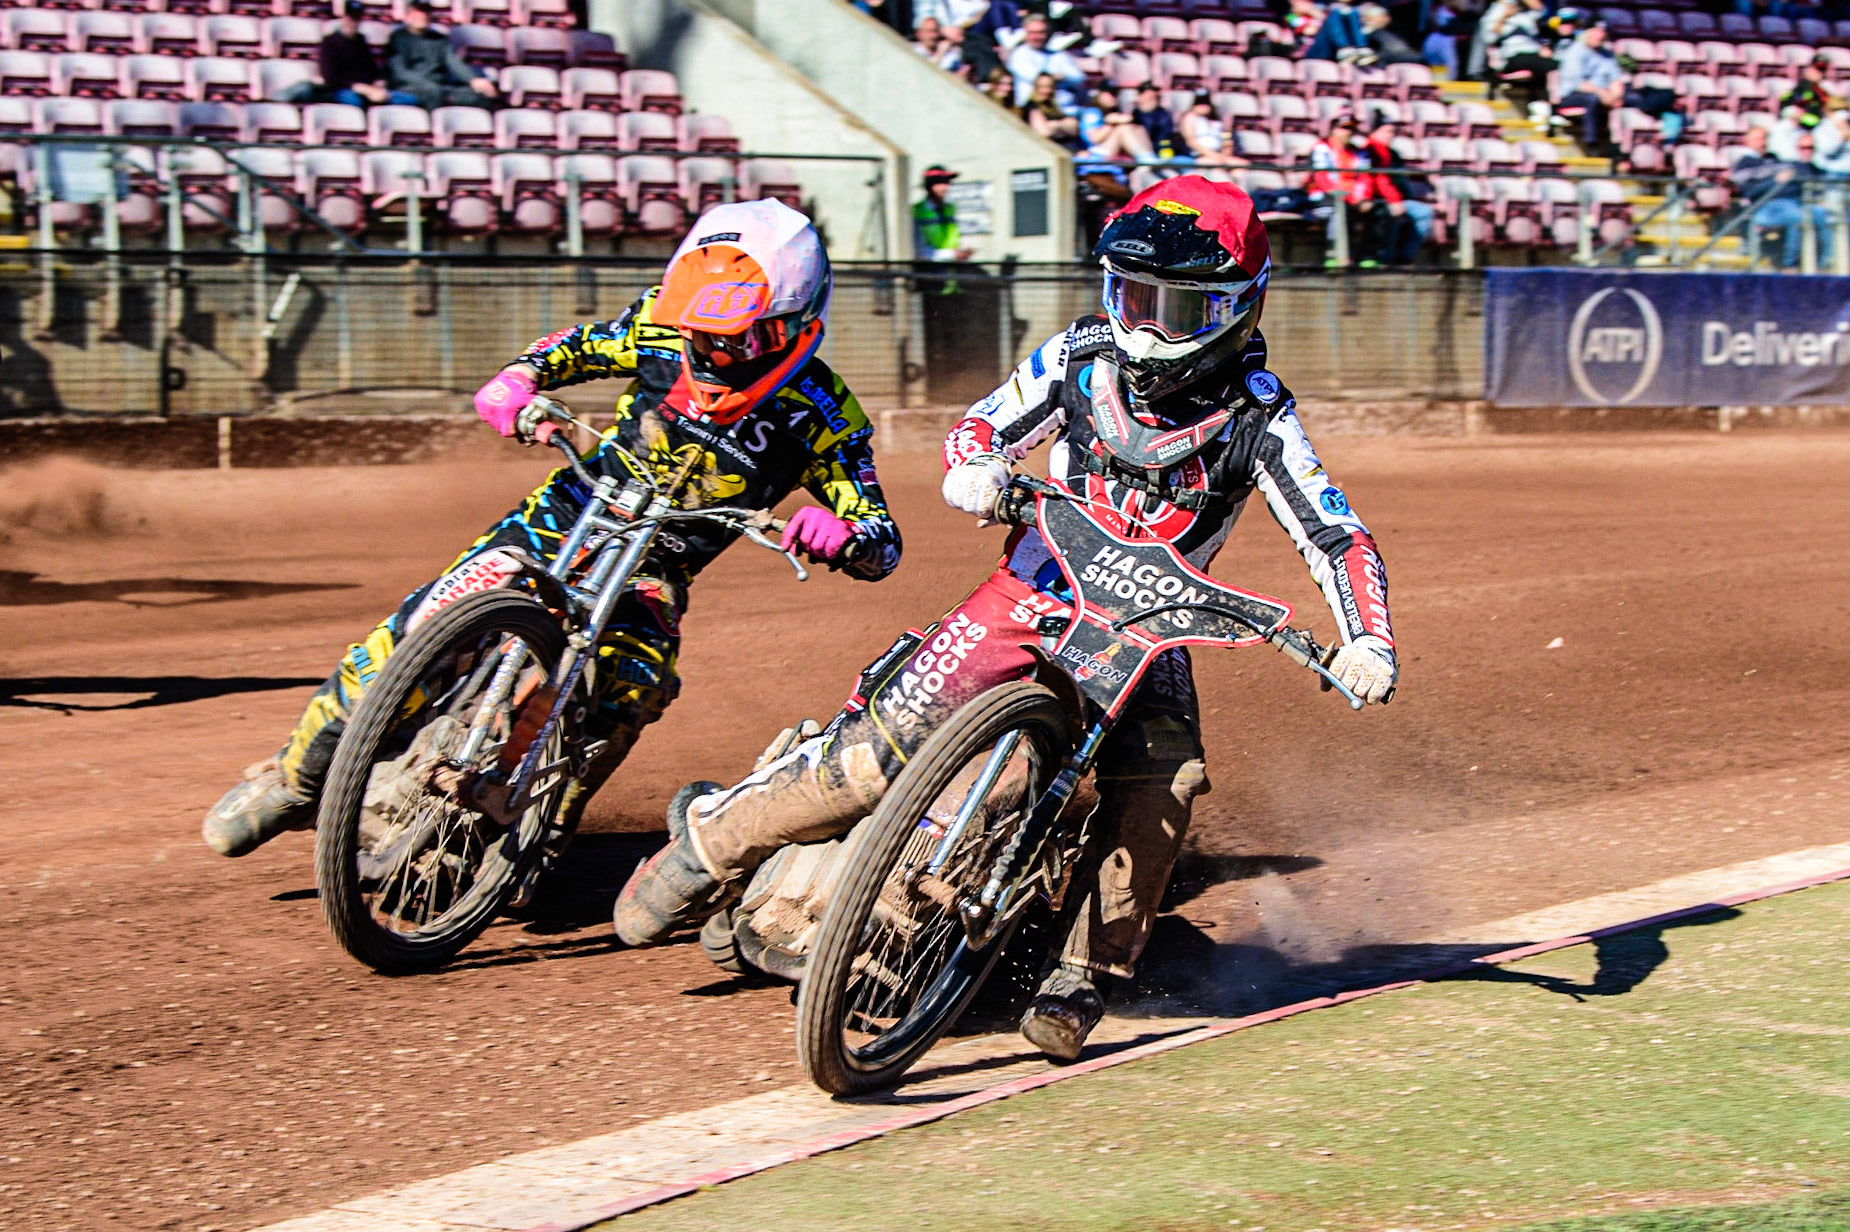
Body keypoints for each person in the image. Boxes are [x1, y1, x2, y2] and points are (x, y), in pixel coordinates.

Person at [612, 175, 1400, 1062]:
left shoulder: (1259, 415)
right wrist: (975, 468)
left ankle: (1083, 976)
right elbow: (980, 426)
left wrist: (1367, 637)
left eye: (1177, 308)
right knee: (879, 743)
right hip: (1031, 590)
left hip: (1153, 630)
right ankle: (707, 848)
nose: (1145, 325)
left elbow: (1336, 532)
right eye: (1133, 297)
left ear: (1238, 309)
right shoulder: (1078, 355)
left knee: (1167, 782)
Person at [200, 200, 902, 858]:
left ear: (797, 321)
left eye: (741, 337)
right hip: (559, 519)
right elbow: (566, 351)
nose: (715, 352)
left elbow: (883, 541)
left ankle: (526, 837)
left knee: (635, 685)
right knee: (420, 628)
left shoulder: (824, 414)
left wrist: (843, 536)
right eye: (702, 332)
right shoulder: (658, 330)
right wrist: (516, 384)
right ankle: (296, 778)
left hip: (655, 572)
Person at [1553, 22, 1680, 154]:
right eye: (1597, 31)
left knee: (1638, 99)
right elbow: (1577, 83)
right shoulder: (1576, 51)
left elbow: (1615, 78)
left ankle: (1650, 143)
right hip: (1576, 94)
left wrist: (1616, 95)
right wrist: (1604, 94)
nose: (1600, 35)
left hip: (1607, 94)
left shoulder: (1606, 54)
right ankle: (1592, 143)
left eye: (1603, 32)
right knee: (1593, 99)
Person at [1733, 127, 1833, 269]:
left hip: (1792, 203)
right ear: (1747, 141)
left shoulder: (1774, 159)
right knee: (1799, 217)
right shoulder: (1744, 164)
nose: (1763, 142)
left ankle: (1826, 264)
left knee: (1823, 216)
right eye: (1758, 139)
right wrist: (1775, 181)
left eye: (1764, 138)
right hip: (1766, 206)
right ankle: (1790, 265)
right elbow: (1750, 193)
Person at [278, 0, 405, 107]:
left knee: (406, 99)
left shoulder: (361, 41)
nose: (353, 22)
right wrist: (358, 87)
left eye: (357, 18)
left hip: (366, 89)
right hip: (342, 89)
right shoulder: (330, 42)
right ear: (344, 17)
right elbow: (330, 78)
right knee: (354, 101)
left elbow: (371, 69)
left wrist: (378, 81)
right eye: (351, 17)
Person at [384, 0, 498, 110]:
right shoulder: (397, 38)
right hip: (410, 87)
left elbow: (454, 63)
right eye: (417, 12)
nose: (422, 16)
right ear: (407, 16)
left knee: (480, 95)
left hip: (439, 87)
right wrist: (428, 85)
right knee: (432, 94)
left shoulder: (439, 40)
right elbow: (400, 72)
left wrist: (473, 80)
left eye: (425, 12)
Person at [1364, 117, 1433, 264]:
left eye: (1393, 132)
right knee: (1390, 213)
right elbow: (1378, 179)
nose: (1391, 135)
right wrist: (1394, 200)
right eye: (1387, 131)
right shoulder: (1369, 152)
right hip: (1375, 199)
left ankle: (1405, 257)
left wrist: (1402, 198)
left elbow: (1399, 181)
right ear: (1374, 132)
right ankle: (1386, 259)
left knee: (1424, 211)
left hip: (1396, 199)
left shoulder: (1393, 154)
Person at [1006, 12, 1087, 108]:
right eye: (1032, 33)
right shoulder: (1019, 54)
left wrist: (1064, 76)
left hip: (1063, 107)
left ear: (1047, 34)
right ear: (1025, 33)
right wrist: (1057, 77)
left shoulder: (1057, 55)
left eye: (1041, 32)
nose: (1037, 37)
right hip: (1032, 107)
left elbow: (1078, 78)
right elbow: (1035, 77)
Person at [1079, 87, 1158, 163]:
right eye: (1110, 94)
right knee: (1122, 129)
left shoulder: (1112, 110)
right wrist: (1110, 124)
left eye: (1115, 94)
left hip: (1113, 151)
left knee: (1138, 128)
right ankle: (1145, 159)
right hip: (1094, 153)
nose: (1113, 97)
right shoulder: (1092, 112)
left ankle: (1149, 156)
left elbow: (1128, 118)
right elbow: (1094, 139)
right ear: (1099, 94)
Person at [914, 164, 974, 261]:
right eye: (940, 182)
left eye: (947, 182)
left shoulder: (950, 209)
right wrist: (951, 254)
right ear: (929, 186)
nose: (945, 187)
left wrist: (962, 252)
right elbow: (918, 251)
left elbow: (955, 240)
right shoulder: (916, 211)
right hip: (929, 272)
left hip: (952, 272)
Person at [1780, 56, 1843, 133]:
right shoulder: (1799, 87)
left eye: (1822, 70)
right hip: (1799, 126)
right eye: (1816, 68)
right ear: (1809, 69)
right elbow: (1787, 106)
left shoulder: (1826, 89)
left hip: (1819, 126)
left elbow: (1835, 107)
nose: (1818, 72)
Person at [1021, 71, 1083, 149]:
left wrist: (1055, 125)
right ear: (1036, 87)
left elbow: (1074, 129)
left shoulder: (1054, 107)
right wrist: (1064, 126)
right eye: (1042, 86)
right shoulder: (1032, 106)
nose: (1046, 91)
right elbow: (1044, 132)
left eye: (1049, 87)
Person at [1178, 92, 1242, 165]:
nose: (1203, 106)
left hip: (1219, 155)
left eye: (1206, 103)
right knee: (1215, 166)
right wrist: (1212, 155)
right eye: (1199, 103)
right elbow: (1191, 141)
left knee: (1241, 165)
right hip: (1199, 155)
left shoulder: (1218, 120)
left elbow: (1227, 139)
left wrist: (1224, 155)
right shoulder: (1190, 117)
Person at [1359, 3, 1424, 64]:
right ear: (1366, 19)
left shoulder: (1391, 31)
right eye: (1382, 17)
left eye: (1386, 16)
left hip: (1409, 59)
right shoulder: (1368, 34)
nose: (1385, 20)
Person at [1131, 83, 1181, 159]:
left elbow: (1163, 138)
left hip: (1156, 151)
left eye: (1154, 98)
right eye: (1148, 98)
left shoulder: (1162, 115)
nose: (1151, 101)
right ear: (1139, 97)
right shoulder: (1132, 112)